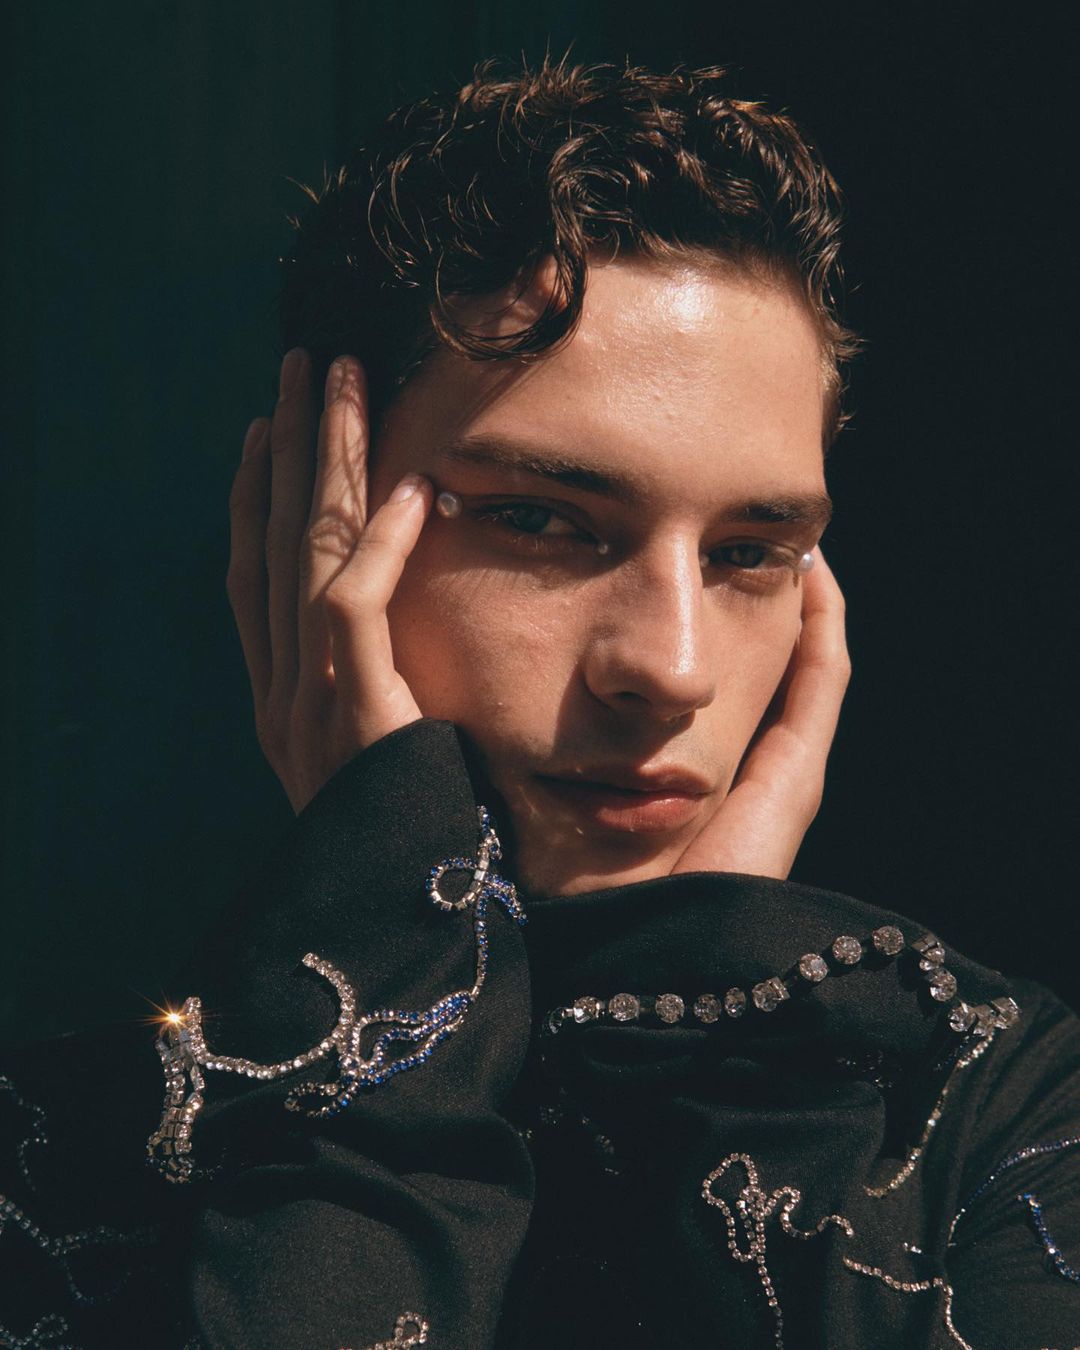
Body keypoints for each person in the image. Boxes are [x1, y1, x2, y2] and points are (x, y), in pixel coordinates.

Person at [2, 53, 1078, 1350]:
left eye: (751, 551)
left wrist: (721, 1010)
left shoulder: (1009, 1112)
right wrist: (387, 972)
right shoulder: (51, 1157)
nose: (673, 668)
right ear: (311, 525)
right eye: (541, 520)